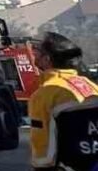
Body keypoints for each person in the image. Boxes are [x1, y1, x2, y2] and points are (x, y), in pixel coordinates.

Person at [29, 31, 98, 169]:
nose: (33, 54)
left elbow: (42, 145)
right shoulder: (92, 86)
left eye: (37, 51)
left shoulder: (45, 94)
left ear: (47, 59)